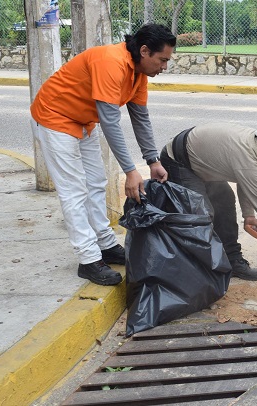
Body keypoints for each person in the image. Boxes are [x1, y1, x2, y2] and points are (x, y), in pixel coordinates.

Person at [30, 24, 175, 286]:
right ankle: (88, 259)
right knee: (74, 191)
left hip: (83, 122)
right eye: (162, 59)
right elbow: (110, 122)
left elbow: (140, 118)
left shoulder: (138, 73)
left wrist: (152, 160)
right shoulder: (111, 62)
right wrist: (130, 171)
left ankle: (105, 245)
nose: (165, 66)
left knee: (96, 182)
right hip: (55, 118)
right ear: (144, 51)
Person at [160, 124, 257, 280]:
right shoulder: (248, 159)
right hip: (178, 159)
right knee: (201, 214)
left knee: (224, 198)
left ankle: (233, 261)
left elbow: (245, 180)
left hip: (200, 159)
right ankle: (195, 272)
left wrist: (249, 215)